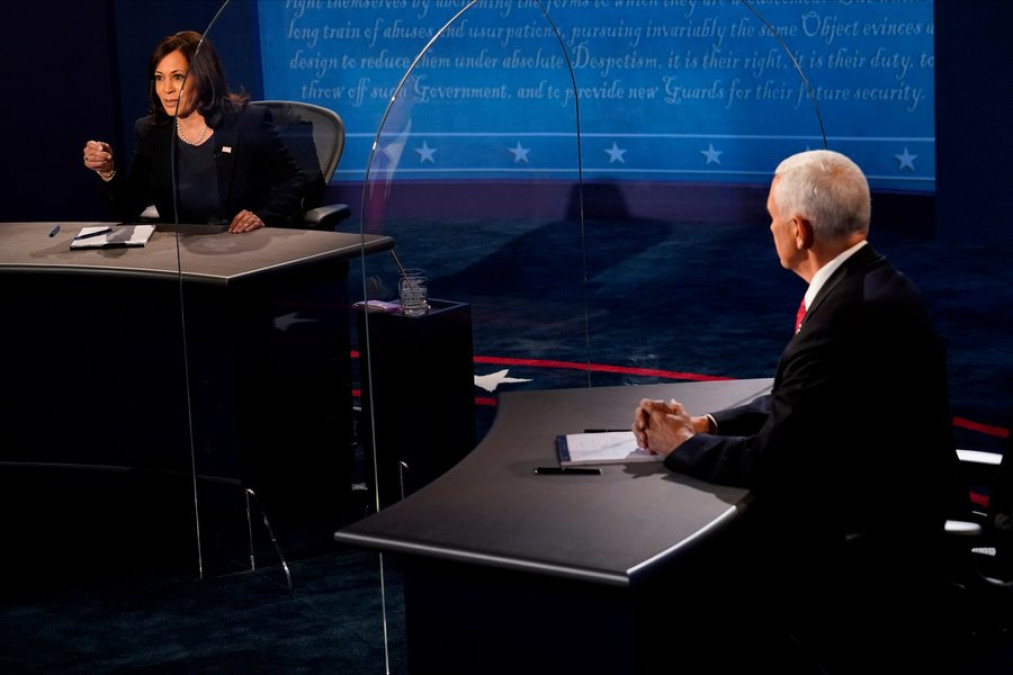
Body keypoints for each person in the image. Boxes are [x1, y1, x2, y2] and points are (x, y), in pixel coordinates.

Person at [633, 149, 966, 673]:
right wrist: (707, 424)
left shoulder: (843, 316)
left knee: (697, 581)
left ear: (800, 231)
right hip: (901, 517)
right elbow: (810, 400)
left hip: (866, 549)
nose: (769, 229)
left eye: (771, 219)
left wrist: (680, 447)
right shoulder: (873, 283)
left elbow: (774, 461)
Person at [82, 31, 307, 233]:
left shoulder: (247, 121)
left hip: (242, 245)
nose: (167, 89)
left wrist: (261, 216)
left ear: (203, 77)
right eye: (159, 78)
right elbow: (128, 209)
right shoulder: (150, 131)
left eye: (178, 77)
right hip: (182, 254)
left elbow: (294, 180)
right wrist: (108, 171)